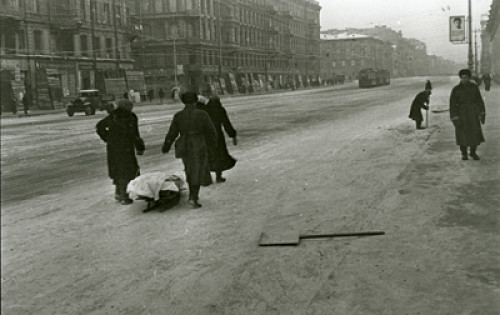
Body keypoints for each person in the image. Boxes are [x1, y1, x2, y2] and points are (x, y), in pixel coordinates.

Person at [161, 91, 217, 208]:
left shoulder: (178, 115)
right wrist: (212, 146)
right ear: (196, 100)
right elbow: (211, 132)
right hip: (198, 144)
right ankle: (193, 197)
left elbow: (172, 132)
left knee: (189, 169)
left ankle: (193, 195)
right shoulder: (202, 114)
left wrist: (167, 145)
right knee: (197, 170)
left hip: (184, 145)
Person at [96, 99, 145, 205]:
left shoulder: (113, 116)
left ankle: (119, 193)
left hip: (114, 148)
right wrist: (140, 147)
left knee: (118, 170)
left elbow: (100, 127)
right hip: (126, 147)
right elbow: (135, 134)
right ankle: (126, 195)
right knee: (129, 169)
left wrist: (108, 138)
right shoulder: (130, 117)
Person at [449, 69, 486, 160]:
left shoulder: (474, 87)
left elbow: (479, 100)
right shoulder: (456, 89)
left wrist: (482, 111)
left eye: (466, 77)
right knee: (462, 134)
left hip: (473, 113)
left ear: (469, 78)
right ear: (460, 78)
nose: (464, 79)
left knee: (475, 133)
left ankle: (473, 153)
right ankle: (464, 153)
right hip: (461, 114)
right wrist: (454, 117)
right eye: (462, 78)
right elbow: (452, 104)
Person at [204, 95, 238, 182]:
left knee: (207, 155)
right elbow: (226, 123)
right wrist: (232, 135)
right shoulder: (220, 109)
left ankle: (206, 177)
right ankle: (218, 176)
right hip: (218, 135)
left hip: (206, 136)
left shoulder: (205, 109)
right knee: (219, 155)